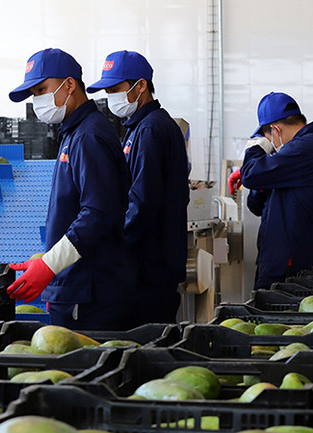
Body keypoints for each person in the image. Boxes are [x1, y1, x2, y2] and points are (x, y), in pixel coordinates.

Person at [5, 48, 134, 330]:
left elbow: (98, 213)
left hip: (90, 292)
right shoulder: (73, 132)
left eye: (42, 89)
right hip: (76, 285)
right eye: (34, 94)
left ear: (70, 85)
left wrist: (51, 264)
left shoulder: (89, 136)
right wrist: (49, 263)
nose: (38, 100)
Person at [86, 50, 190, 325]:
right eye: (107, 91)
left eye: (116, 89)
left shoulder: (151, 129)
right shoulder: (140, 127)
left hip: (150, 267)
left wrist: (113, 246)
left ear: (141, 85)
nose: (111, 98)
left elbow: (142, 202)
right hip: (150, 265)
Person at [229, 92, 313, 289]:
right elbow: (256, 205)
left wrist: (258, 148)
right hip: (292, 262)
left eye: (268, 137)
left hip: (289, 269)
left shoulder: (307, 147)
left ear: (275, 129)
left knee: (273, 316)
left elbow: (251, 175)